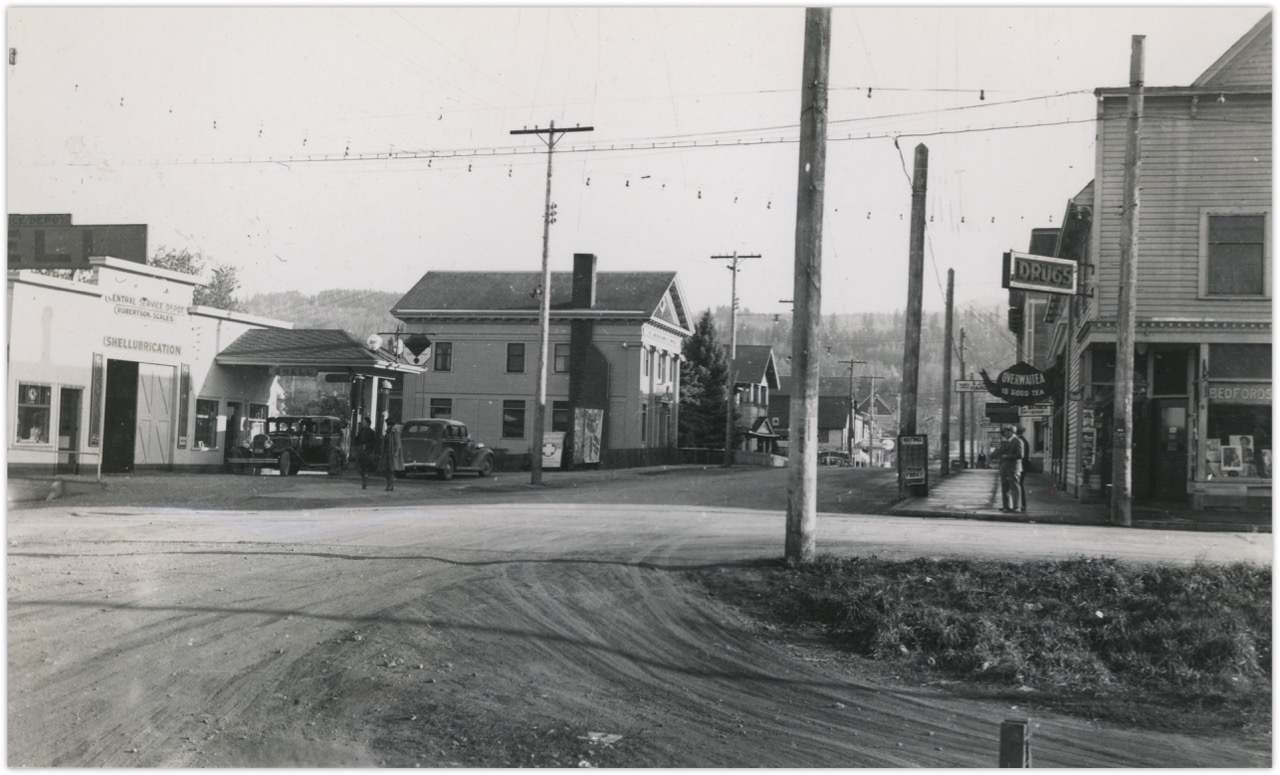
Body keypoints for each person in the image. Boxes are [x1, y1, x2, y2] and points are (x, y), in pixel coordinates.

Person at [996, 424, 1023, 513]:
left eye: (1007, 432)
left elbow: (1020, 455)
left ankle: (1016, 506)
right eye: (1004, 432)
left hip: (1013, 467)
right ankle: (1006, 506)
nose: (1005, 433)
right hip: (1005, 467)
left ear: (1012, 432)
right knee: (1005, 487)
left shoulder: (1018, 441)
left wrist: (1007, 456)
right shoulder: (1007, 442)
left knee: (1014, 487)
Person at [353, 415, 380, 490]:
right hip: (360, 451)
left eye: (364, 422)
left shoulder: (371, 432)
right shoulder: (361, 431)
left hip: (368, 452)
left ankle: (364, 482)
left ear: (368, 423)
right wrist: (357, 446)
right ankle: (364, 477)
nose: (363, 423)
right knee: (358, 467)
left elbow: (374, 442)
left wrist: (367, 446)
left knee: (365, 467)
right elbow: (356, 440)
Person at [380, 416, 405, 491]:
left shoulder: (394, 432)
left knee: (391, 470)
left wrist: (396, 452)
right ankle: (389, 483)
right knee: (384, 469)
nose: (387, 425)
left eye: (388, 424)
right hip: (385, 452)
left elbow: (398, 443)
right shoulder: (387, 432)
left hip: (392, 453)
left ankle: (390, 485)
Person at [1014, 424, 1031, 513]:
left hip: (1021, 466)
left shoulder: (1020, 441)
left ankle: (1021, 505)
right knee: (1019, 484)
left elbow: (1021, 455)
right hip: (1024, 465)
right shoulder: (1024, 440)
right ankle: (1020, 504)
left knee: (1018, 485)